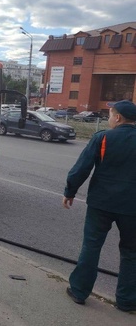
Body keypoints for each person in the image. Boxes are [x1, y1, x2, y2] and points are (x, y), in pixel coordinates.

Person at [63, 100, 136, 313]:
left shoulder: (103, 138)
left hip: (100, 205)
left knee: (92, 246)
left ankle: (79, 291)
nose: (109, 119)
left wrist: (70, 191)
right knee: (132, 253)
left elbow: (82, 168)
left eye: (110, 115)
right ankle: (127, 301)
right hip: (133, 208)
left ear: (118, 117)